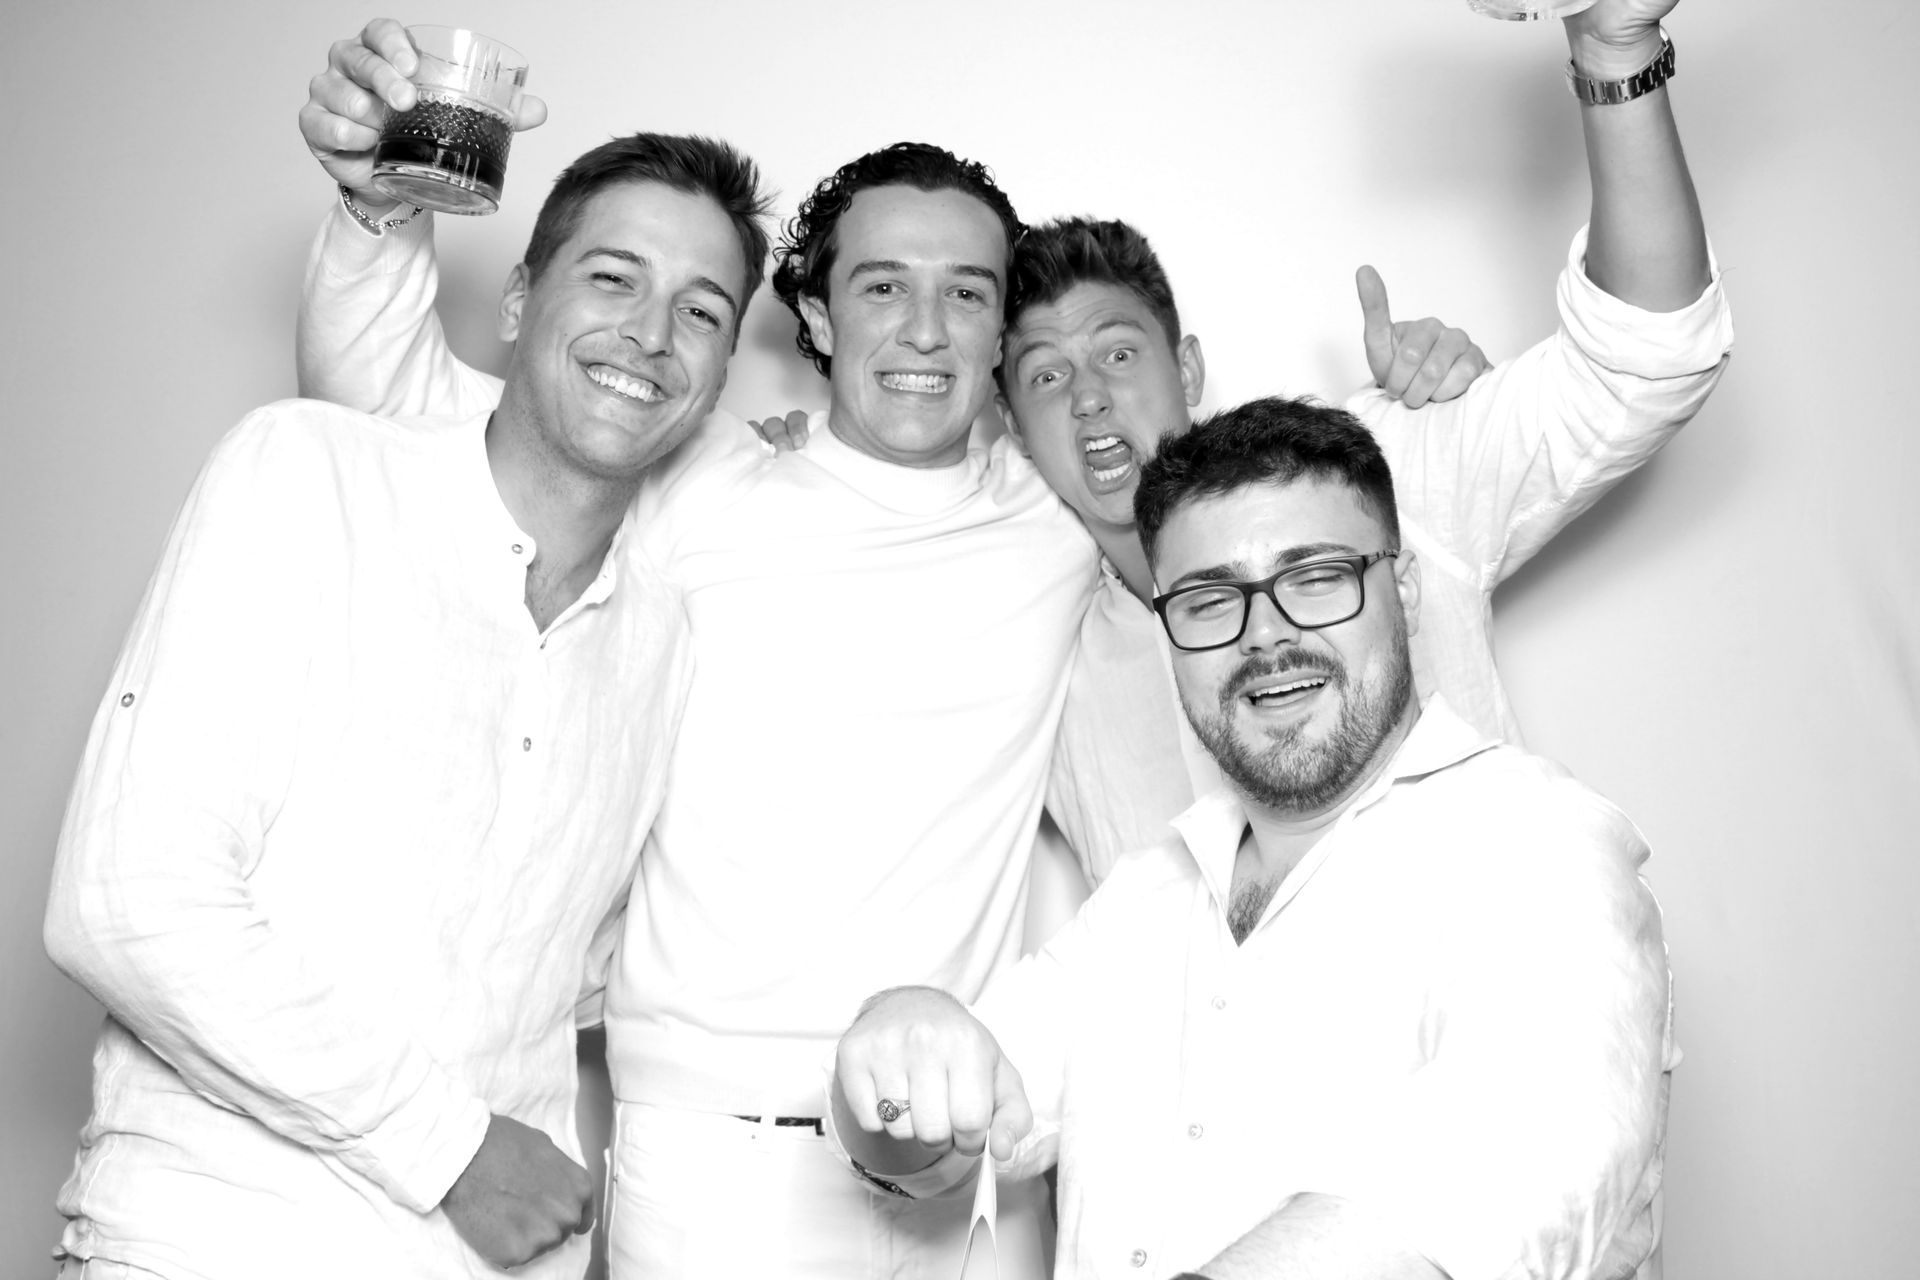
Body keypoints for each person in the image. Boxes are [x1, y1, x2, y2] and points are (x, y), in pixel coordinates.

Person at [42, 132, 772, 1280]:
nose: (649, 334)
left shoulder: (666, 640)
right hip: (208, 1242)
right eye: (613, 277)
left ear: (724, 371)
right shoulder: (309, 474)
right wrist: (455, 1148)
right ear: (522, 299)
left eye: (702, 312)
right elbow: (127, 898)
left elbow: (572, 963)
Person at [830, 396, 1677, 1280]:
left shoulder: (1539, 847)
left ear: (1407, 589)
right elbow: (940, 1148)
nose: (1266, 637)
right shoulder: (1146, 895)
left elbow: (1508, 1170)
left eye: (1315, 577)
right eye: (1208, 599)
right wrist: (889, 1049)